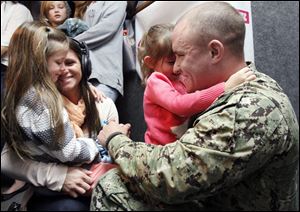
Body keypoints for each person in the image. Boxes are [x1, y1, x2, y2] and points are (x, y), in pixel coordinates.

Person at [90, 2, 299, 211]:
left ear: (214, 52)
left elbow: (171, 176)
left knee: (111, 186)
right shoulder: (241, 90)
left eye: (181, 55)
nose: (177, 67)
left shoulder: (248, 109)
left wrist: (114, 139)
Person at [1, 36, 119, 210]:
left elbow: (110, 153)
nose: (63, 70)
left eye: (70, 63)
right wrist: (59, 176)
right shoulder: (38, 107)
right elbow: (6, 160)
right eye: (57, 63)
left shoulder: (104, 104)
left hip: (96, 183)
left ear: (84, 65)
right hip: (51, 192)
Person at [138, 23, 255, 145]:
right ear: (150, 62)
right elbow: (180, 104)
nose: (178, 66)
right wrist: (224, 87)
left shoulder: (179, 74)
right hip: (159, 149)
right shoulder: (156, 81)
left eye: (181, 57)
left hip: (182, 143)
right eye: (171, 62)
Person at [73, 1, 127, 102]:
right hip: (85, 78)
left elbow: (106, 29)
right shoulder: (87, 6)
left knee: (96, 116)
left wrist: (69, 42)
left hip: (104, 76)